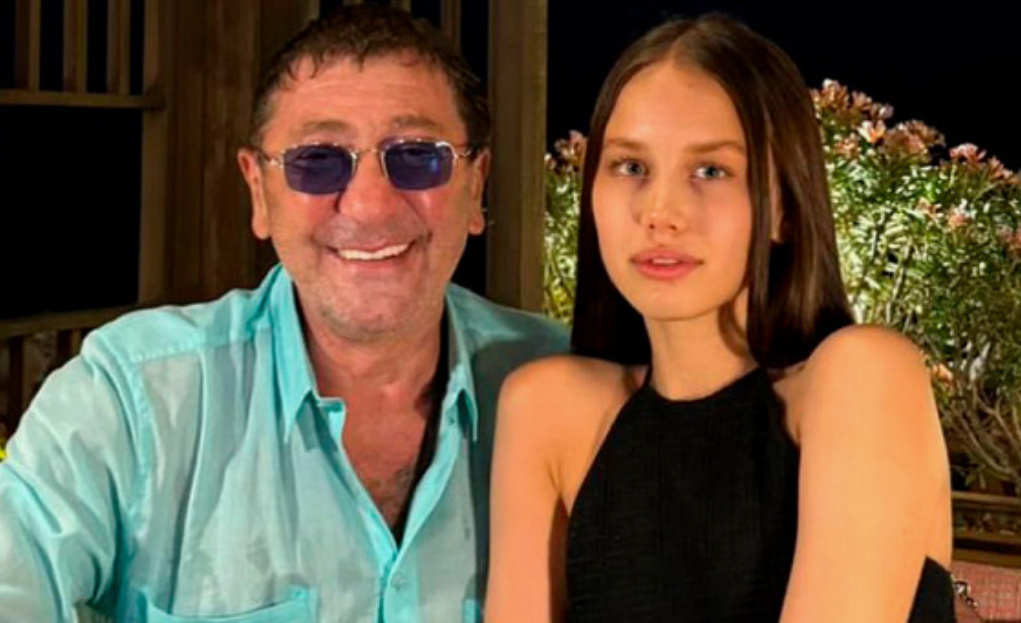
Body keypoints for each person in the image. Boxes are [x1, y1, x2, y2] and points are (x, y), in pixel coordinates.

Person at [0, 6, 565, 622]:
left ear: (476, 186)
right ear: (258, 192)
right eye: (318, 161)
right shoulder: (135, 400)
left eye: (416, 156)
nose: (370, 205)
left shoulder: (566, 385)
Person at [486, 14, 955, 623]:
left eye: (711, 171)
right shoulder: (549, 412)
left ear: (785, 207)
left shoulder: (862, 378)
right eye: (630, 167)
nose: (660, 211)